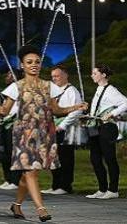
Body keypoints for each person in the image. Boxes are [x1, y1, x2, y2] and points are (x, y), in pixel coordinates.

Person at [0, 45, 87, 222]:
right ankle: (41, 209)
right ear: (22, 65)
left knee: (32, 173)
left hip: (45, 133)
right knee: (30, 171)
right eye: (29, 62)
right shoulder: (16, 87)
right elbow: (5, 110)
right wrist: (0, 110)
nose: (34, 65)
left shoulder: (49, 86)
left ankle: (17, 205)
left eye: (37, 62)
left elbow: (56, 110)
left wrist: (76, 107)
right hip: (23, 134)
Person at [85, 64, 127, 200]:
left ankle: (113, 190)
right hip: (96, 127)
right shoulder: (98, 89)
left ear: (103, 75)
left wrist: (112, 114)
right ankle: (102, 189)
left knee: (109, 158)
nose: (92, 75)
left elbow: (125, 102)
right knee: (95, 158)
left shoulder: (111, 90)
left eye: (95, 73)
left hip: (107, 127)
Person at [42, 65, 83, 195]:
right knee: (53, 157)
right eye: (53, 76)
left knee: (65, 157)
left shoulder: (72, 91)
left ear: (66, 75)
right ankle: (55, 185)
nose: (55, 79)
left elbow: (77, 110)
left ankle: (65, 186)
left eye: (57, 76)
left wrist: (63, 125)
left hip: (65, 129)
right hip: (52, 126)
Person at [0, 70, 21, 191]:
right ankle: (8, 179)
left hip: (13, 125)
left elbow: (7, 110)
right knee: (5, 154)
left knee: (13, 154)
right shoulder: (9, 91)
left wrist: (0, 110)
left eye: (10, 74)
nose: (7, 76)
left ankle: (15, 181)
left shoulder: (17, 87)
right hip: (5, 125)